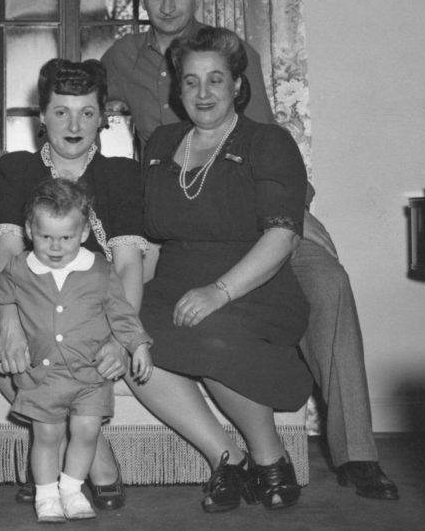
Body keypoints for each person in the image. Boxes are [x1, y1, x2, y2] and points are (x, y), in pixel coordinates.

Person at [101, 0, 400, 500]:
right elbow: (90, 118)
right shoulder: (121, 58)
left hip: (256, 200)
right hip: (178, 210)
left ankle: (357, 453)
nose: (168, 6)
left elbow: (261, 141)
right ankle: (239, 457)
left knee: (328, 283)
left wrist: (292, 222)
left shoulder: (233, 54)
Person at [134, 25, 311, 512]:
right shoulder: (160, 143)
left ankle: (272, 458)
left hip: (253, 284)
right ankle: (227, 458)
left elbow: (282, 234)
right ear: (178, 88)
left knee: (208, 328)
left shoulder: (267, 142)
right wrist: (123, 301)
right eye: (191, 81)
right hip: (172, 280)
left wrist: (219, 291)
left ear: (237, 84)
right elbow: (149, 240)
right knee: (126, 333)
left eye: (216, 79)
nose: (203, 92)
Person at [0, 58, 148, 509]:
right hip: (28, 303)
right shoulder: (19, 169)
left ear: (102, 118)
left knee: (78, 339)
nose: (74, 124)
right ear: (42, 116)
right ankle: (88, 456)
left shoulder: (121, 175)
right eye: (61, 111)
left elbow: (127, 266)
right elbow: (6, 253)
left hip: (94, 307)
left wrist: (119, 339)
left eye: (87, 112)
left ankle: (58, 463)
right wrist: (10, 324)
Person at [0, 177, 153, 522]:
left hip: (90, 373)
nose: (56, 247)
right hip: (42, 374)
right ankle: (46, 496)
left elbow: (121, 313)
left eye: (66, 238)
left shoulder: (99, 270)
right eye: (46, 237)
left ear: (84, 233)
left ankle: (71, 491)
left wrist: (138, 345)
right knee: (46, 434)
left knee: (87, 431)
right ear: (30, 231)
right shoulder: (20, 268)